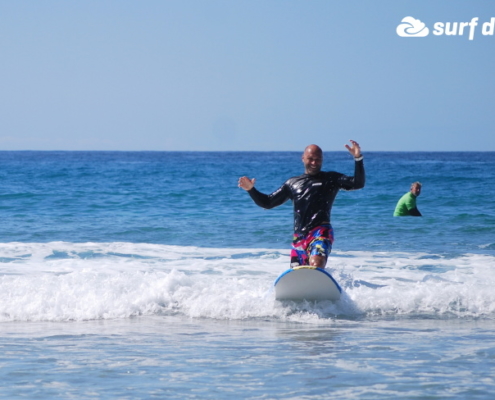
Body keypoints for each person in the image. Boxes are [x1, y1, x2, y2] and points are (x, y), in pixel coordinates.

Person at [238, 140, 365, 269]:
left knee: (316, 263)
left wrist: (358, 158)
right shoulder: (292, 183)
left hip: (321, 232)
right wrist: (251, 190)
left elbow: (357, 183)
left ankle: (320, 283)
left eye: (318, 159)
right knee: (297, 272)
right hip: (299, 237)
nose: (314, 163)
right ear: (303, 158)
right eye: (310, 159)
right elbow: (267, 203)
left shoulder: (331, 179)